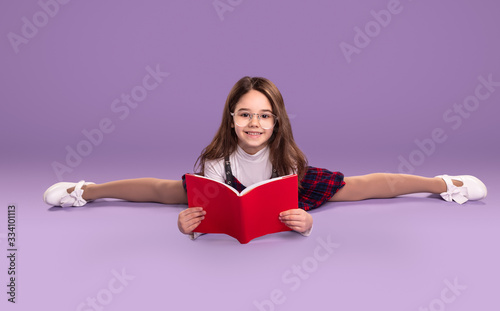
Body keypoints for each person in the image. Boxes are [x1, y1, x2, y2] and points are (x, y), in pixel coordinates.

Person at [43, 77, 488, 240]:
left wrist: (306, 221)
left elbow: (289, 207)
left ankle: (443, 184)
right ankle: (86, 191)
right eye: (245, 115)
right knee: (164, 192)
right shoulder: (218, 155)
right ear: (232, 118)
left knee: (369, 186)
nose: (254, 124)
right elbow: (202, 213)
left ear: (275, 123)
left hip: (282, 192)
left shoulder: (286, 155)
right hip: (231, 190)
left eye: (264, 116)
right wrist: (190, 227)